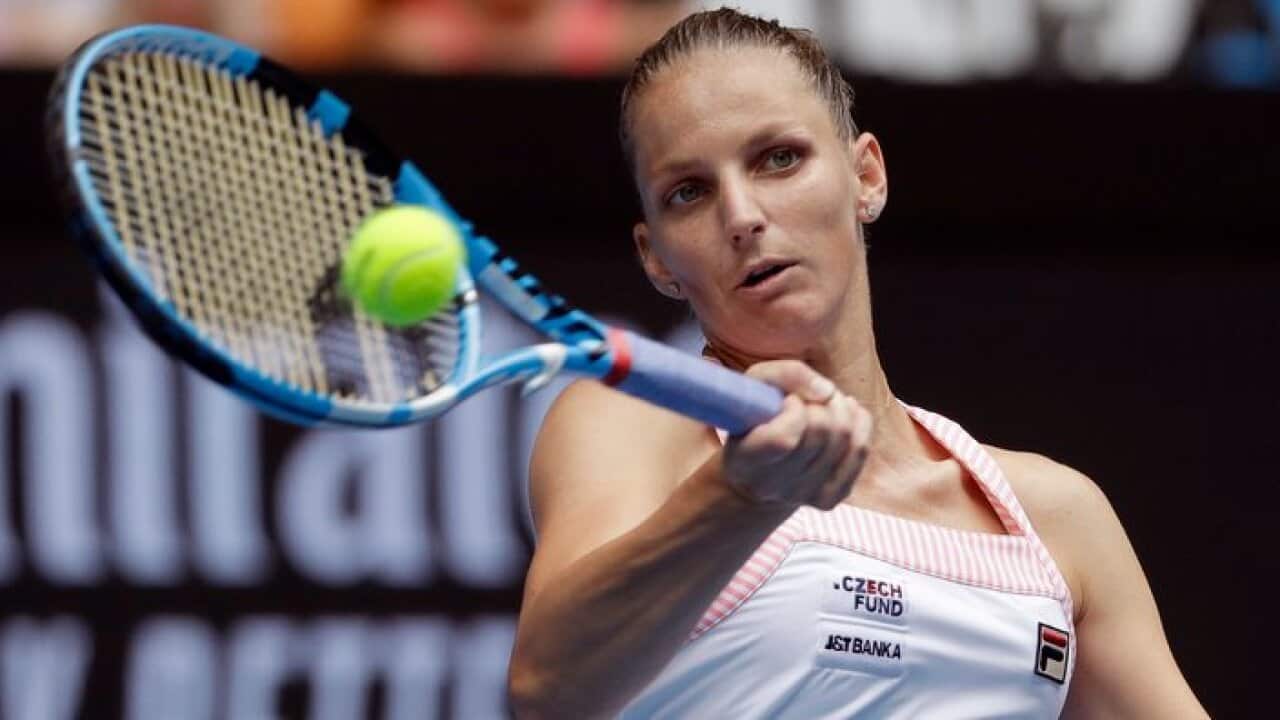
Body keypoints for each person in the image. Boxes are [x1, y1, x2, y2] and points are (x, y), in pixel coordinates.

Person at [507, 8, 1208, 718]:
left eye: (778, 157)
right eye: (688, 192)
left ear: (865, 175)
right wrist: (739, 498)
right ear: (655, 255)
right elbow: (549, 690)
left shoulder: (1054, 516)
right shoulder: (634, 424)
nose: (742, 215)